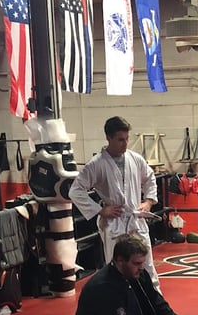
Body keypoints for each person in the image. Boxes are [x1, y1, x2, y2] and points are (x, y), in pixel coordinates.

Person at [69, 116, 161, 291]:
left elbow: (150, 178)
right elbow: (75, 191)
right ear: (108, 137)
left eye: (127, 139)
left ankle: (155, 302)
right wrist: (100, 210)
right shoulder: (97, 164)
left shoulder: (135, 159)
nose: (125, 144)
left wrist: (148, 202)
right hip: (114, 223)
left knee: (147, 267)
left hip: (135, 220)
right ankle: (118, 303)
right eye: (120, 139)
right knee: (117, 268)